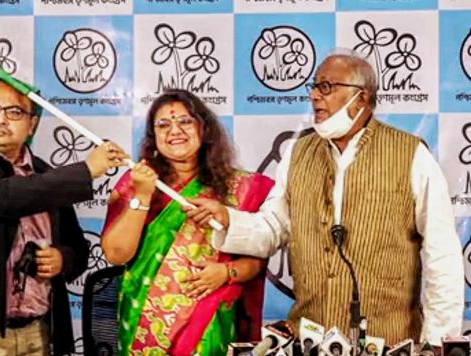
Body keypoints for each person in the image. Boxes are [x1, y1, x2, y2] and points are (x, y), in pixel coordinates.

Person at [186, 51, 464, 346]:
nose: (316, 96)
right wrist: (228, 219)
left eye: (327, 87)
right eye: (315, 87)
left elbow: (442, 255)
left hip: (389, 342)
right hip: (310, 340)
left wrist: (437, 342)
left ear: (362, 98)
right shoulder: (298, 153)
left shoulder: (410, 155)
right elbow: (273, 227)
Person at [0, 79, 128, 355]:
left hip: (39, 333)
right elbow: (6, 196)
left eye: (13, 112)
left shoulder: (43, 174)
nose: (0, 119)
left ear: (32, 125)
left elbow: (79, 249)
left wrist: (63, 259)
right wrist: (86, 170)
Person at [101, 89, 274, 355]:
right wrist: (143, 194)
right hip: (144, 324)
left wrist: (226, 273)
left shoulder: (238, 187)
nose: (174, 131)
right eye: (163, 124)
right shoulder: (136, 182)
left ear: (204, 129)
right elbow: (115, 254)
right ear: (153, 136)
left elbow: (257, 261)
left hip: (207, 323)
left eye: (185, 122)